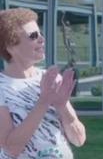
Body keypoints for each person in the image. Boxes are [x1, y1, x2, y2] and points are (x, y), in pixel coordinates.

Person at [0, 8, 86, 158]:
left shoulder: (50, 78)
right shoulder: (2, 88)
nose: (42, 39)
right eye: (33, 36)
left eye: (40, 33)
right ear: (10, 46)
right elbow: (10, 148)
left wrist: (62, 105)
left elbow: (78, 139)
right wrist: (44, 101)